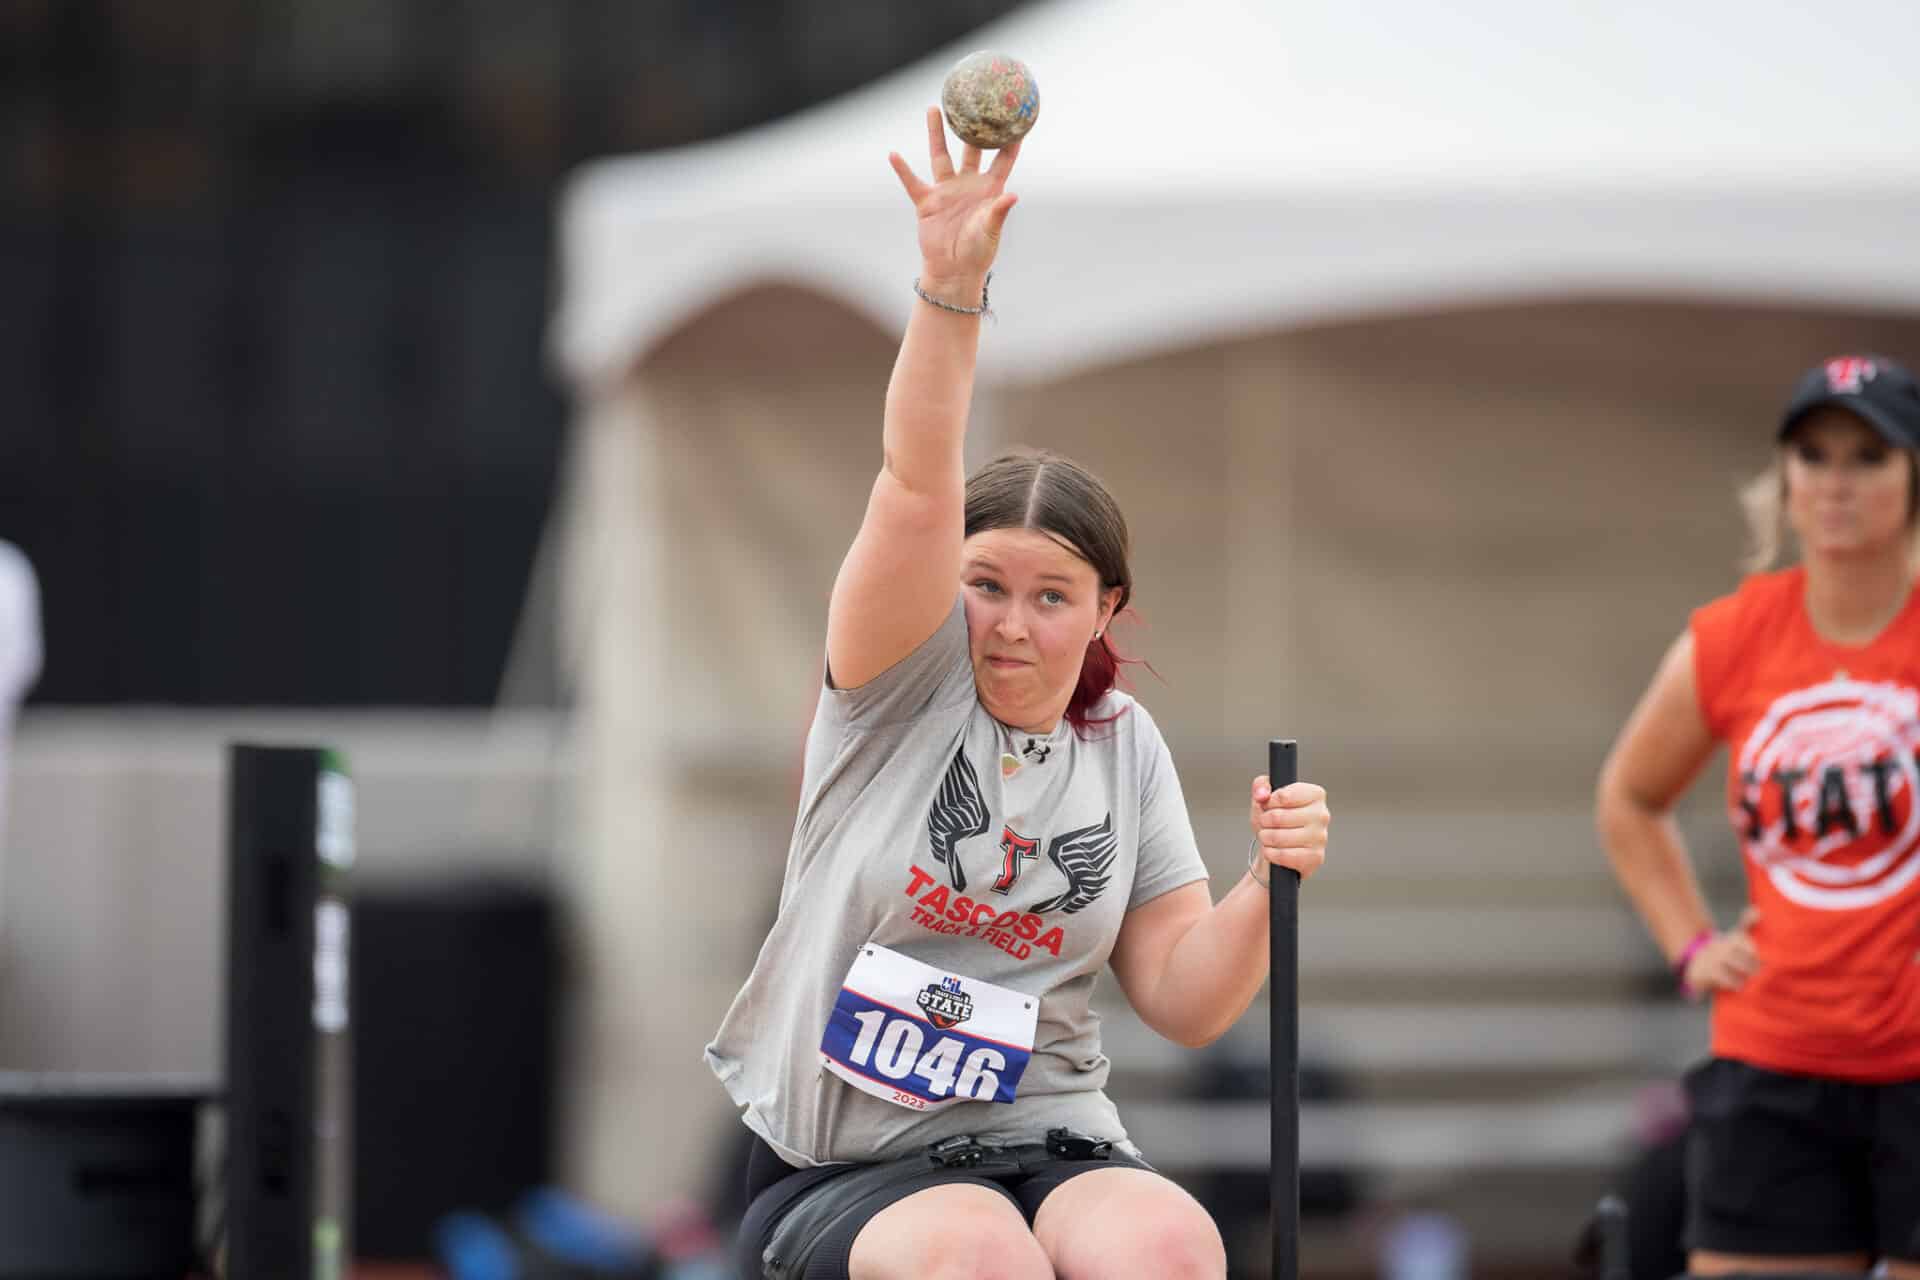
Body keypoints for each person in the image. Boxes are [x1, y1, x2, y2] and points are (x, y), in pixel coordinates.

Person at [705, 109, 1330, 1280]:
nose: (1009, 619)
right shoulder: (901, 682)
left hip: (1054, 1135)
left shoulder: (1119, 740)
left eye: (1051, 595)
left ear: (1106, 608)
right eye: (984, 583)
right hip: (851, 1165)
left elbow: (1186, 999)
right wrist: (950, 292)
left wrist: (1266, 880)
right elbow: (913, 479)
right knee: (978, 1254)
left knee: (1170, 1244)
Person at [1596, 353, 1920, 1277]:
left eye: (1869, 456)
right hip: (1776, 1054)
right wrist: (1694, 945)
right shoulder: (1736, 636)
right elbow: (1629, 797)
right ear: (1783, 479)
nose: (1836, 481)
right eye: (1813, 455)